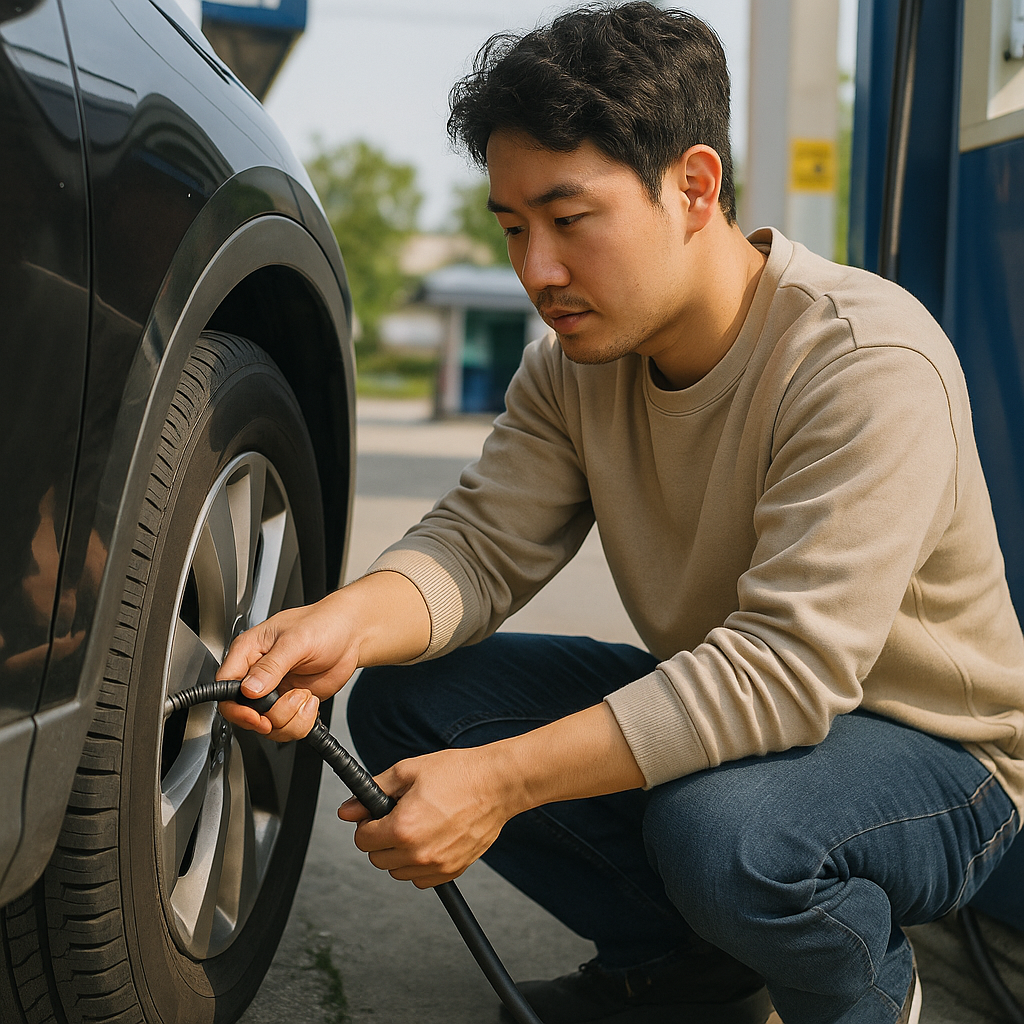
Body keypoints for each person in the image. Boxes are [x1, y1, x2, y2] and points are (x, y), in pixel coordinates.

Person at [218, 5, 1024, 1023]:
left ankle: (866, 993)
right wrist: (337, 624)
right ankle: (681, 967)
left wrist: (501, 783)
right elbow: (478, 543)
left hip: (935, 756)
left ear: (693, 186)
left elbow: (786, 670)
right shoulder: (574, 365)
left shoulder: (862, 361)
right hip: (757, 721)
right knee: (408, 700)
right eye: (513, 228)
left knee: (725, 831)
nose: (537, 271)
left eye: (569, 219)